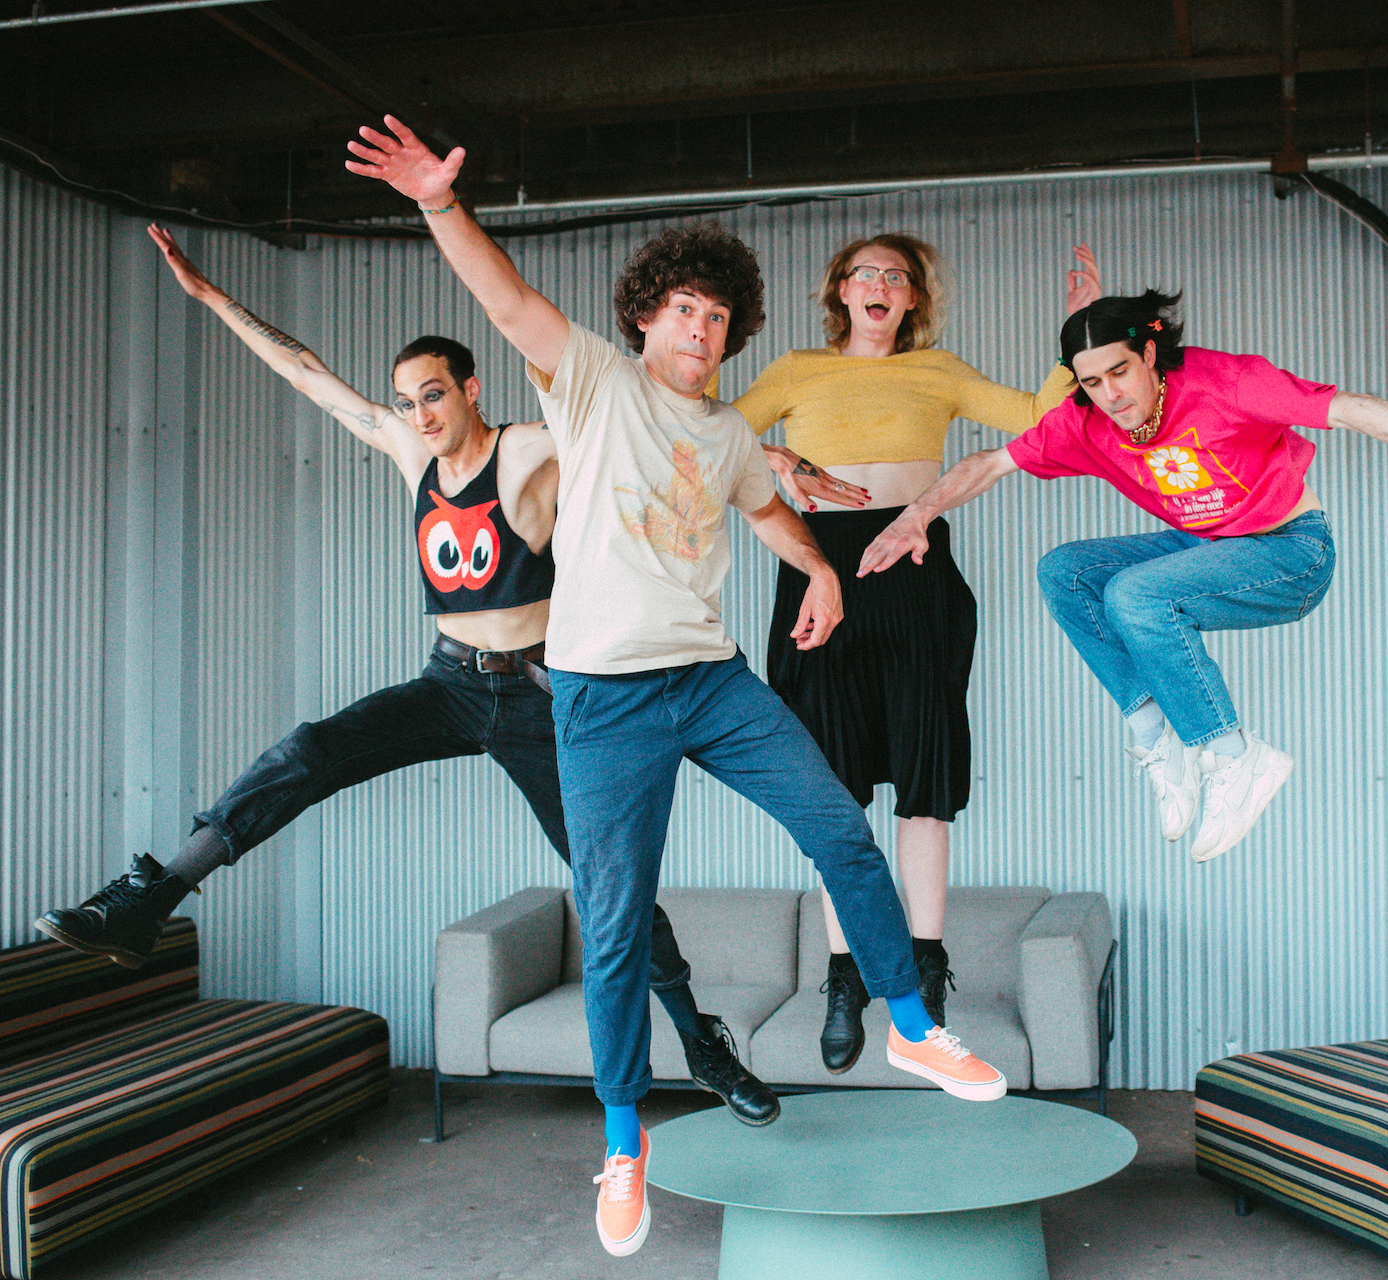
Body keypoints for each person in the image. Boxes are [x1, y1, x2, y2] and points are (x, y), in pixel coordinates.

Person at [346, 114, 1009, 1260]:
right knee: (613, 923)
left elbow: (772, 512)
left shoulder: (729, 434)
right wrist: (440, 205)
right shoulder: (592, 383)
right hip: (601, 698)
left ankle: (909, 1021)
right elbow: (507, 301)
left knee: (839, 830)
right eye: (684, 310)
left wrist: (820, 571)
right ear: (645, 316)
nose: (700, 330)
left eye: (717, 317)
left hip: (710, 681)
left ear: (731, 333)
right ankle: (622, 1140)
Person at [34, 224, 780, 1128]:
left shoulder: (531, 449)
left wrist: (772, 461)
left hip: (543, 695)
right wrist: (211, 299)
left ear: (470, 390)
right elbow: (306, 372)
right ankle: (152, 895)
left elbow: (661, 435)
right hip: (450, 683)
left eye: (434, 395)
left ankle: (700, 1042)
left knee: (609, 884)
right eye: (406, 401)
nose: (420, 413)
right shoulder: (412, 454)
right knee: (310, 751)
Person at [859, 288, 1388, 861]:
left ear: (1150, 353)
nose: (1111, 396)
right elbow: (988, 463)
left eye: (1120, 372)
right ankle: (1157, 732)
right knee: (1066, 572)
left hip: (1291, 551)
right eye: (1092, 382)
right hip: (1206, 544)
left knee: (1135, 594)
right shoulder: (1085, 422)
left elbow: (1348, 408)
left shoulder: (1224, 382)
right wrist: (917, 515)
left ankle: (1235, 756)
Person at [730, 235, 1100, 1072]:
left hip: (917, 567)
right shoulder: (796, 371)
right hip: (820, 569)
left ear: (911, 299)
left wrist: (1075, 336)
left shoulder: (939, 371)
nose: (880, 284)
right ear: (841, 291)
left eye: (896, 277)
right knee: (833, 788)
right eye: (864, 272)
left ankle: (927, 973)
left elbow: (1040, 421)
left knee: (925, 779)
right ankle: (844, 976)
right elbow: (703, 433)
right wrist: (775, 454)